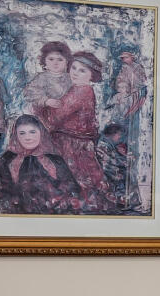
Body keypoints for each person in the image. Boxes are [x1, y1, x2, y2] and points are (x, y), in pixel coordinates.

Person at [39, 48, 110, 209]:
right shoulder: (77, 88)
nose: (76, 73)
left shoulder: (81, 91)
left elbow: (56, 116)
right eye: (74, 68)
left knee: (75, 177)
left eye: (82, 70)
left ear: (92, 75)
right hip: (75, 140)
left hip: (72, 143)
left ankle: (77, 205)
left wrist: (42, 106)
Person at [0, 115, 81, 214]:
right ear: (16, 135)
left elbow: (73, 192)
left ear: (41, 133)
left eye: (32, 132)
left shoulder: (55, 160)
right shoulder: (7, 158)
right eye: (22, 133)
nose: (27, 137)